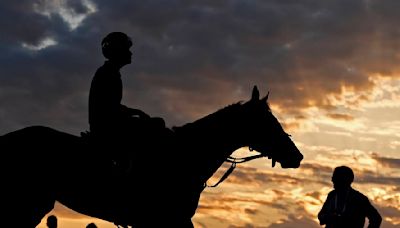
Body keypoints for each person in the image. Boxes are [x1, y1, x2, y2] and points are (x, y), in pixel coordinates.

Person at [318, 166, 382, 228]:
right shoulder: (332, 195)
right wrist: (328, 217)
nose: (332, 180)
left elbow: (376, 219)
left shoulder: (359, 199)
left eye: (336, 177)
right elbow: (321, 215)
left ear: (345, 180)